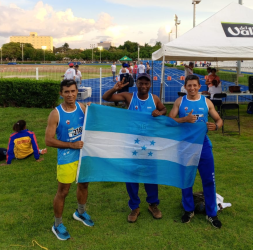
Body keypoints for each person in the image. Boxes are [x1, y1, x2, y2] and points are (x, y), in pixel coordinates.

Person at [102, 73, 167, 223]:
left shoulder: (154, 98)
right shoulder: (129, 97)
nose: (143, 86)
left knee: (150, 174)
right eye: (141, 83)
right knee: (131, 175)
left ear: (150, 84)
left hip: (150, 144)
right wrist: (114, 89)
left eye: (146, 83)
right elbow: (106, 98)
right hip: (131, 144)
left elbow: (164, 110)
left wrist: (159, 112)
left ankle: (153, 204)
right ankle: (134, 207)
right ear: (136, 83)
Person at [168, 74, 223, 229]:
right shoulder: (180, 101)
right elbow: (169, 121)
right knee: (186, 180)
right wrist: (183, 120)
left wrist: (216, 126)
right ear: (185, 87)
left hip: (203, 146)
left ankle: (212, 214)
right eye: (189, 85)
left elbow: (219, 119)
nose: (192, 88)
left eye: (195, 85)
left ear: (200, 87)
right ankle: (188, 210)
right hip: (185, 146)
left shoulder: (206, 102)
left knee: (208, 180)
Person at [45, 79, 94, 241]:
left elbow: (93, 123)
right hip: (67, 158)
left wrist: (94, 111)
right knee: (63, 192)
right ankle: (57, 224)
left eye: (73, 91)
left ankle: (80, 213)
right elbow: (48, 140)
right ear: (61, 94)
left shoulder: (82, 107)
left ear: (76, 91)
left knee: (84, 184)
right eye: (66, 92)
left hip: (83, 156)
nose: (70, 94)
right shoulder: (56, 113)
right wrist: (71, 145)